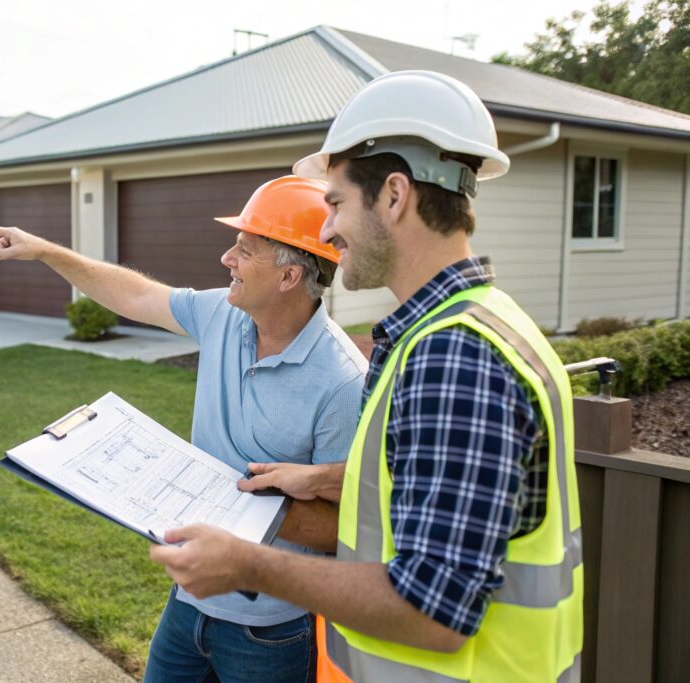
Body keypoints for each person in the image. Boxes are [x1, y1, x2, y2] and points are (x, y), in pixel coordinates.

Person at [150, 70, 583, 682]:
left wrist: (249, 565)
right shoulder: (477, 323)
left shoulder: (453, 356)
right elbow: (441, 482)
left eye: (335, 204)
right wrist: (333, 477)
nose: (326, 232)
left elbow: (433, 608)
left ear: (394, 195)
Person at [0, 175, 368, 683]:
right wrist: (46, 251)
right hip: (187, 602)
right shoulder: (223, 314)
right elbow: (137, 295)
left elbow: (342, 527)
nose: (227, 258)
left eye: (245, 250)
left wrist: (228, 503)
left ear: (289, 276)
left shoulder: (342, 382)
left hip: (268, 630)